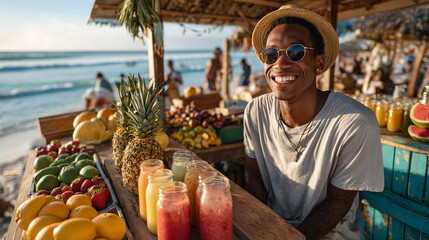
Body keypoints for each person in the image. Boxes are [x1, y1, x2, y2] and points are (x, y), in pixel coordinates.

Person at [244, 4, 384, 239]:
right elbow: (254, 179)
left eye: (296, 52)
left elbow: (337, 205)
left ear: (318, 63)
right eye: (271, 54)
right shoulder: (255, 111)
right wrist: (263, 229)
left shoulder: (355, 122)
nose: (280, 64)